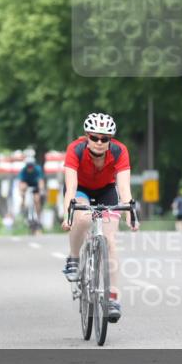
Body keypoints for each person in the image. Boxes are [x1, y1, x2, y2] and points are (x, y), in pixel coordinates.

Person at [60, 112, 138, 323]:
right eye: (94, 137)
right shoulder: (75, 149)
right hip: (81, 190)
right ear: (87, 136)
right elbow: (71, 188)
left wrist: (131, 214)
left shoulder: (119, 151)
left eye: (104, 139)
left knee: (111, 240)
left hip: (106, 190)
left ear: (110, 140)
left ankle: (112, 297)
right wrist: (68, 215)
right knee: (83, 218)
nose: (99, 143)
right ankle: (74, 258)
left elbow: (124, 188)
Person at [18, 152, 45, 227]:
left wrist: (41, 190)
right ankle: (23, 202)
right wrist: (21, 192)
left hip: (35, 185)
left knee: (37, 199)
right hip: (27, 184)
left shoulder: (38, 169)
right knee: (23, 186)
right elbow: (20, 182)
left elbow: (41, 181)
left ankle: (38, 216)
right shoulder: (23, 170)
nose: (30, 168)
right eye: (28, 167)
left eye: (31, 166)